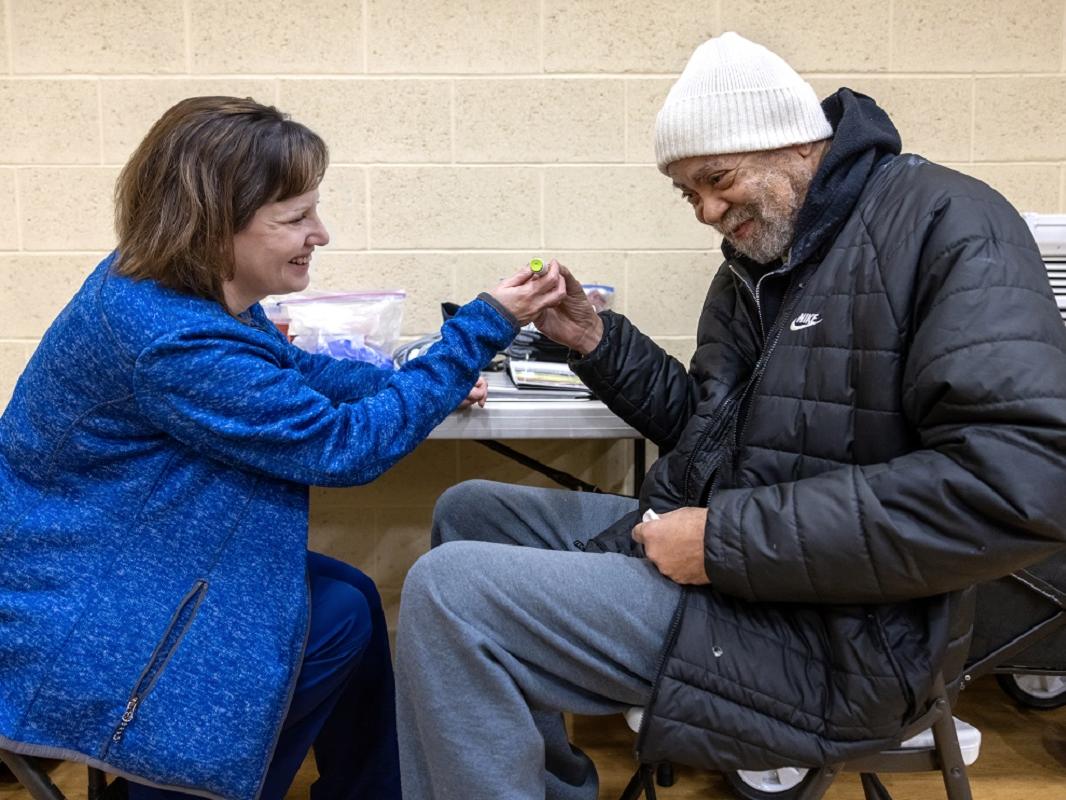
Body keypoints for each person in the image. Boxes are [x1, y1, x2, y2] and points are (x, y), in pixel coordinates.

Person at [395, 32, 1066, 799]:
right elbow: (709, 429)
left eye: (717, 179)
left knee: (454, 592)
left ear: (791, 144)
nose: (707, 211)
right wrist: (596, 342)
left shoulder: (950, 222)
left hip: (840, 634)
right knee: (470, 512)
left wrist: (727, 541)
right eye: (689, 194)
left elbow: (1020, 487)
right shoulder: (758, 263)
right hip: (745, 572)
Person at [0, 96, 566, 800]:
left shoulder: (176, 288)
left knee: (352, 596)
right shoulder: (170, 335)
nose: (319, 233)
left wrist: (417, 378)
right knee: (334, 621)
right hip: (80, 591)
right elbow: (343, 449)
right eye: (296, 218)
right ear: (214, 225)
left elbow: (290, 373)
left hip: (128, 548)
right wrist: (474, 335)